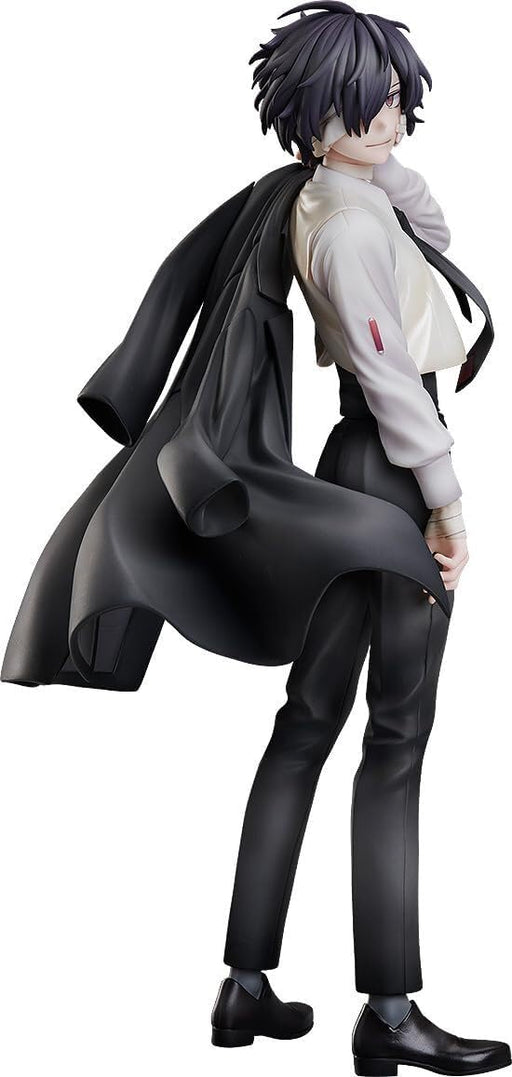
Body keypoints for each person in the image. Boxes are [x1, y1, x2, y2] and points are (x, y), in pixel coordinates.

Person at [210, 5, 511, 1074]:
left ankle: (244, 985)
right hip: (390, 468)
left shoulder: (336, 196)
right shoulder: (341, 224)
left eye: (392, 97)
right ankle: (388, 1012)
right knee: (395, 738)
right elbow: (390, 377)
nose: (388, 118)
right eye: (362, 103)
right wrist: (446, 500)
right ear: (311, 113)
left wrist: (376, 156)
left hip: (352, 468)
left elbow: (432, 240)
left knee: (307, 721)